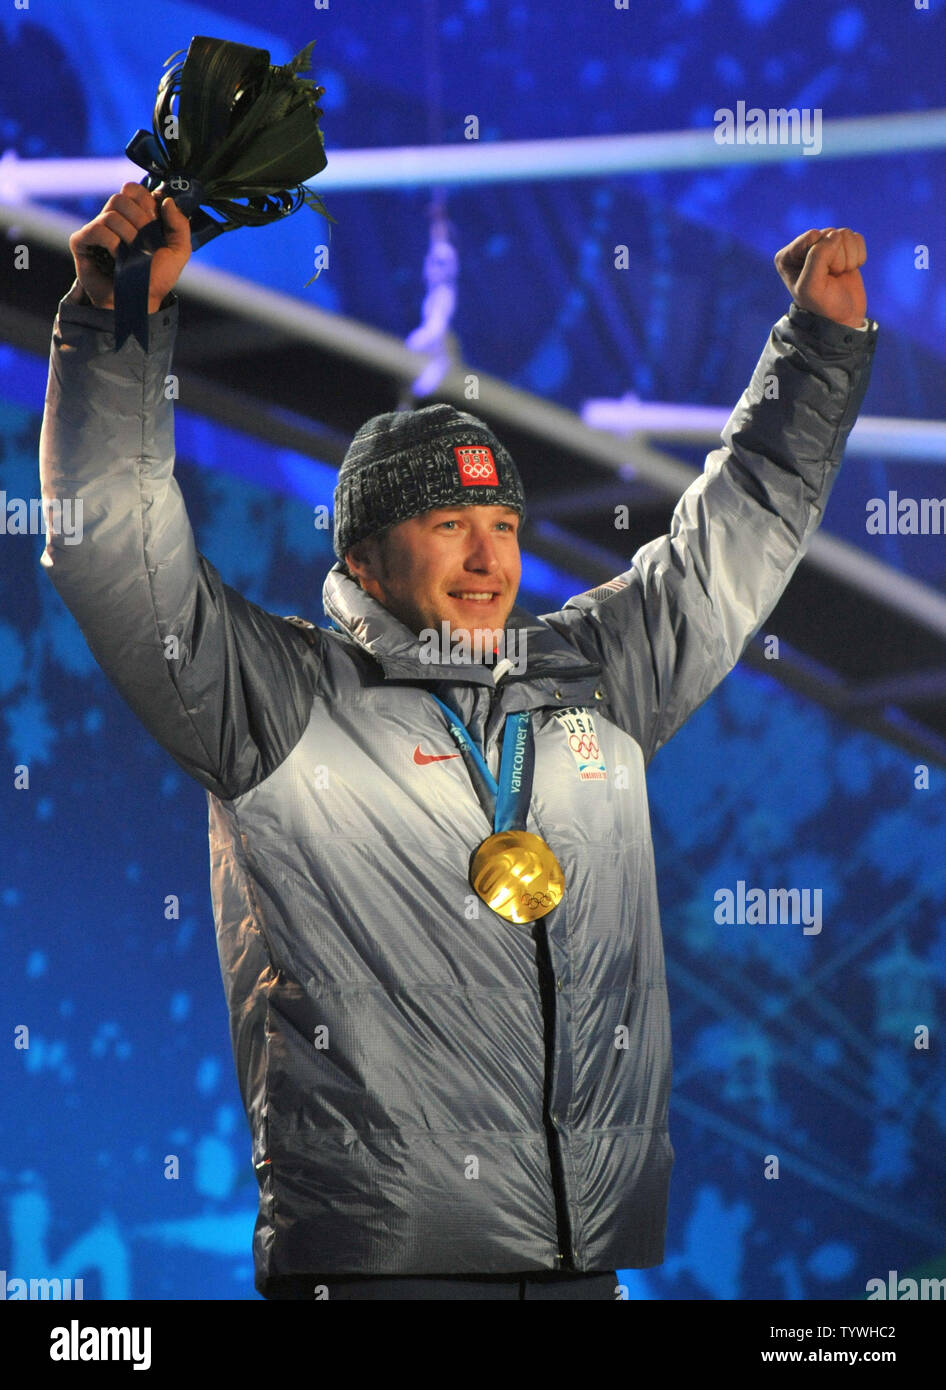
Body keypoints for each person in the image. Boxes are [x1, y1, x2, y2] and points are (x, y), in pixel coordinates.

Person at [39, 183, 876, 1301]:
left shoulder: (589, 681)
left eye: (505, 528)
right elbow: (116, 551)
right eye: (448, 527)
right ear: (368, 552)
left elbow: (733, 543)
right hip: (387, 1266)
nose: (489, 562)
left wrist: (817, 351)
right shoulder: (282, 697)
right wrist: (114, 328)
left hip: (584, 1260)